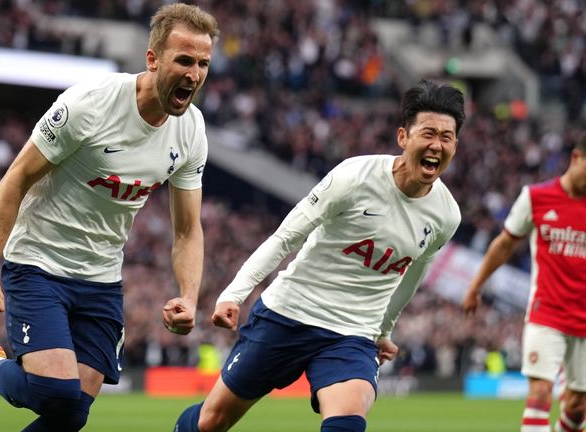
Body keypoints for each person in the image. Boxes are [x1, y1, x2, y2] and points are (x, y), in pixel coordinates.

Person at [0, 3, 219, 431]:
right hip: (38, 262)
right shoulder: (90, 104)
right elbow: (15, 179)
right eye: (184, 60)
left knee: (70, 414)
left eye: (203, 63)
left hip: (101, 278)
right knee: (55, 392)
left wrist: (189, 295)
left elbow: (187, 229)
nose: (194, 74)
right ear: (152, 59)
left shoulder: (192, 131)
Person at [174, 80, 465, 432]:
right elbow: (285, 238)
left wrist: (383, 330)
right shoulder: (354, 177)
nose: (436, 145)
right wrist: (235, 293)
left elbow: (411, 277)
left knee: (346, 423)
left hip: (353, 333)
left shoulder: (446, 215)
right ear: (403, 137)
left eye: (446, 137)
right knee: (211, 422)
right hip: (289, 314)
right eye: (428, 133)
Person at [462, 134, 586, 432]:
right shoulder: (536, 197)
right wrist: (476, 285)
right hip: (547, 313)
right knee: (540, 393)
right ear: (577, 158)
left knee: (579, 406)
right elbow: (504, 244)